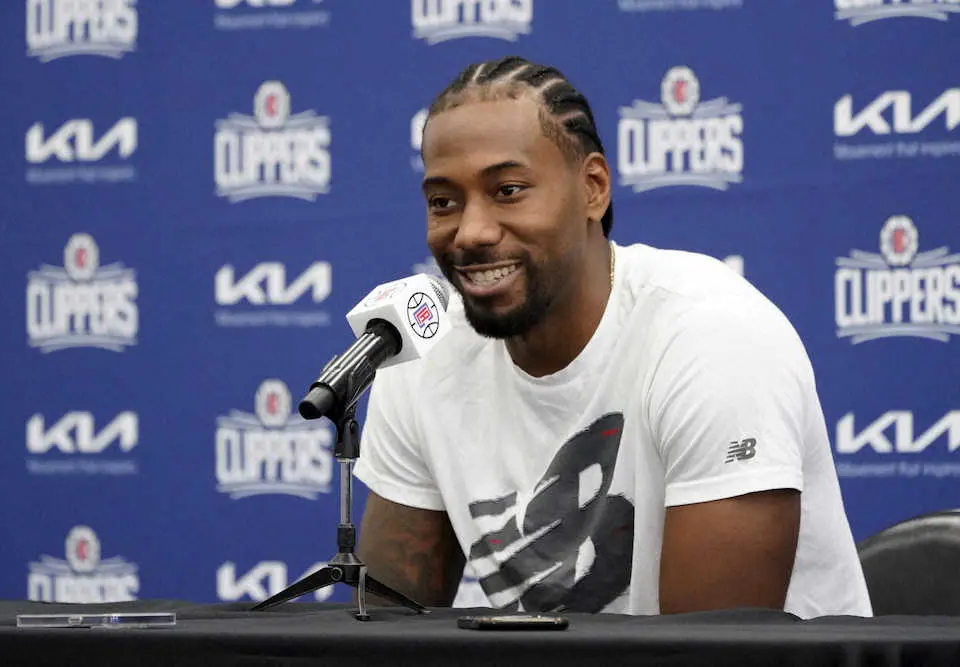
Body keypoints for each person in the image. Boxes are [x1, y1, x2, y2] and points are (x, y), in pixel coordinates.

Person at [353, 55, 872, 618]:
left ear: (593, 188)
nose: (470, 232)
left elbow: (715, 652)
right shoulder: (423, 352)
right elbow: (386, 631)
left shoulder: (713, 337)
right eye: (443, 202)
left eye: (508, 190)